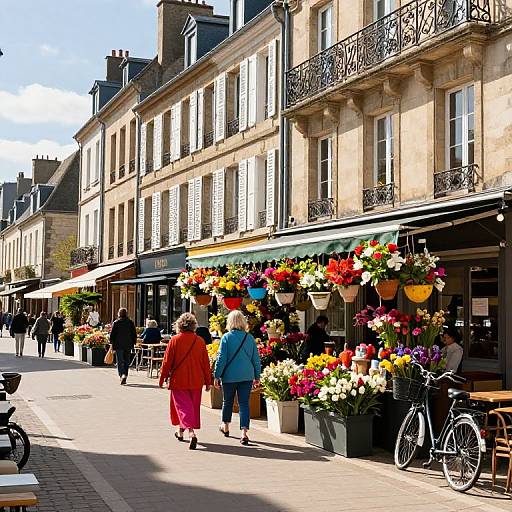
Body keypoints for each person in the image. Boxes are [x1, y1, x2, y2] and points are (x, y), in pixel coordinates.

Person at [159, 313, 211, 450]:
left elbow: (167, 362)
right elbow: (205, 363)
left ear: (179, 325)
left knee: (182, 408)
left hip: (179, 380)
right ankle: (180, 431)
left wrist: (162, 377)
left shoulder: (174, 340)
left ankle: (191, 433)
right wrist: (208, 381)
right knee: (191, 407)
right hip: (196, 380)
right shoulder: (200, 341)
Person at [214, 310, 261, 446]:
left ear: (229, 322)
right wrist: (257, 376)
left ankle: (226, 426)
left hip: (229, 376)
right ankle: (244, 432)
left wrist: (217, 375)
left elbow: (221, 358)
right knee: (244, 403)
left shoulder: (226, 338)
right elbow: (256, 359)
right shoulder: (249, 338)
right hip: (247, 375)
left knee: (227, 401)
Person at [109, 308, 136, 385]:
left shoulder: (116, 322)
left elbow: (112, 335)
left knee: (120, 361)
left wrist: (111, 344)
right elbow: (134, 334)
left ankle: (122, 375)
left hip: (118, 345)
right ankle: (125, 374)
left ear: (119, 314)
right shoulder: (130, 322)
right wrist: (133, 343)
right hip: (128, 344)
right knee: (127, 360)